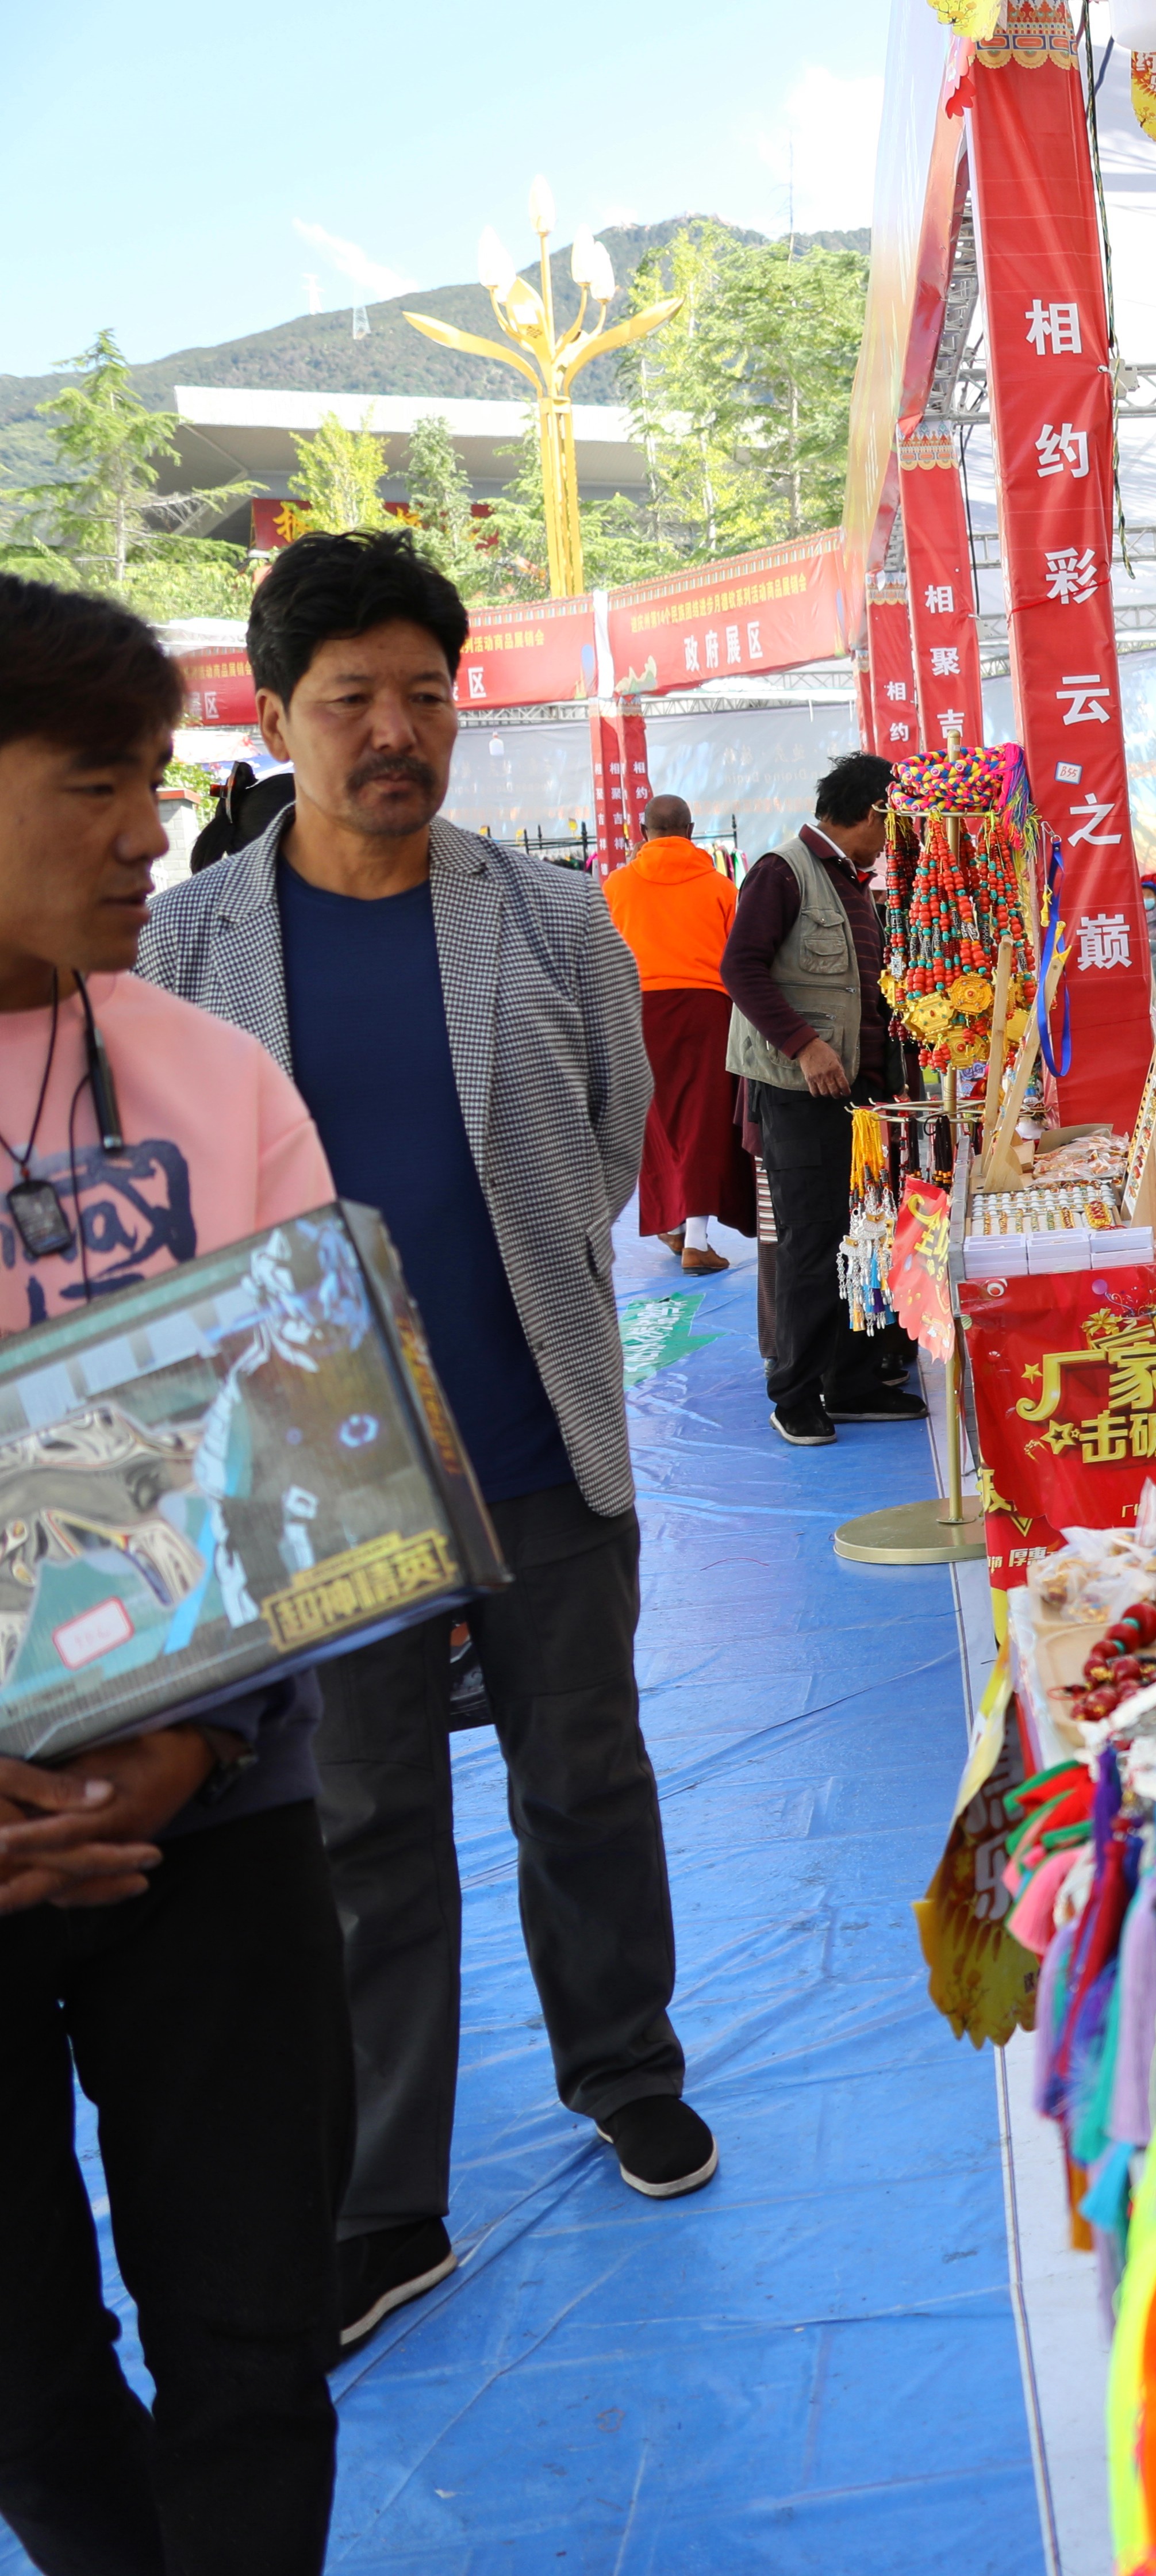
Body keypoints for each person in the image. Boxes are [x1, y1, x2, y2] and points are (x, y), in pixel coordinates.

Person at [139, 528, 715, 2360]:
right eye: (349, 701)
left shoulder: (552, 921)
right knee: (363, 1818)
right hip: (316, 1471)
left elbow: (607, 1147)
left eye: (423, 695)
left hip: (535, 1425)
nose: (394, 731)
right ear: (276, 719)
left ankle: (625, 2067)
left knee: (586, 1773)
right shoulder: (185, 948)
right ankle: (384, 2191)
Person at [0, 575, 354, 2576]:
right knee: (23, 2383)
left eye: (156, 777)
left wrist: (193, 1740)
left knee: (253, 2337)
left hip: (214, 1811)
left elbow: (316, 1447)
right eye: (95, 784)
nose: (154, 829)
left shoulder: (220, 1084)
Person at [721, 754, 925, 1447]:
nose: (891, 840)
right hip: (800, 1094)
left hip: (857, 1098)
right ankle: (795, 1394)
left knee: (858, 1236)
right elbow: (740, 967)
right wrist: (806, 1046)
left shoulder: (853, 884)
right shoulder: (784, 871)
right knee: (811, 1243)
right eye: (891, 824)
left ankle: (851, 1381)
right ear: (871, 812)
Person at [602, 794, 753, 1274]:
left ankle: (673, 1222)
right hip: (706, 1011)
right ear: (691, 830)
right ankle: (695, 1238)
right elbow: (738, 958)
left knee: (655, 1122)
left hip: (637, 1010)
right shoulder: (720, 887)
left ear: (642, 832)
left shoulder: (616, 886)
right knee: (702, 1124)